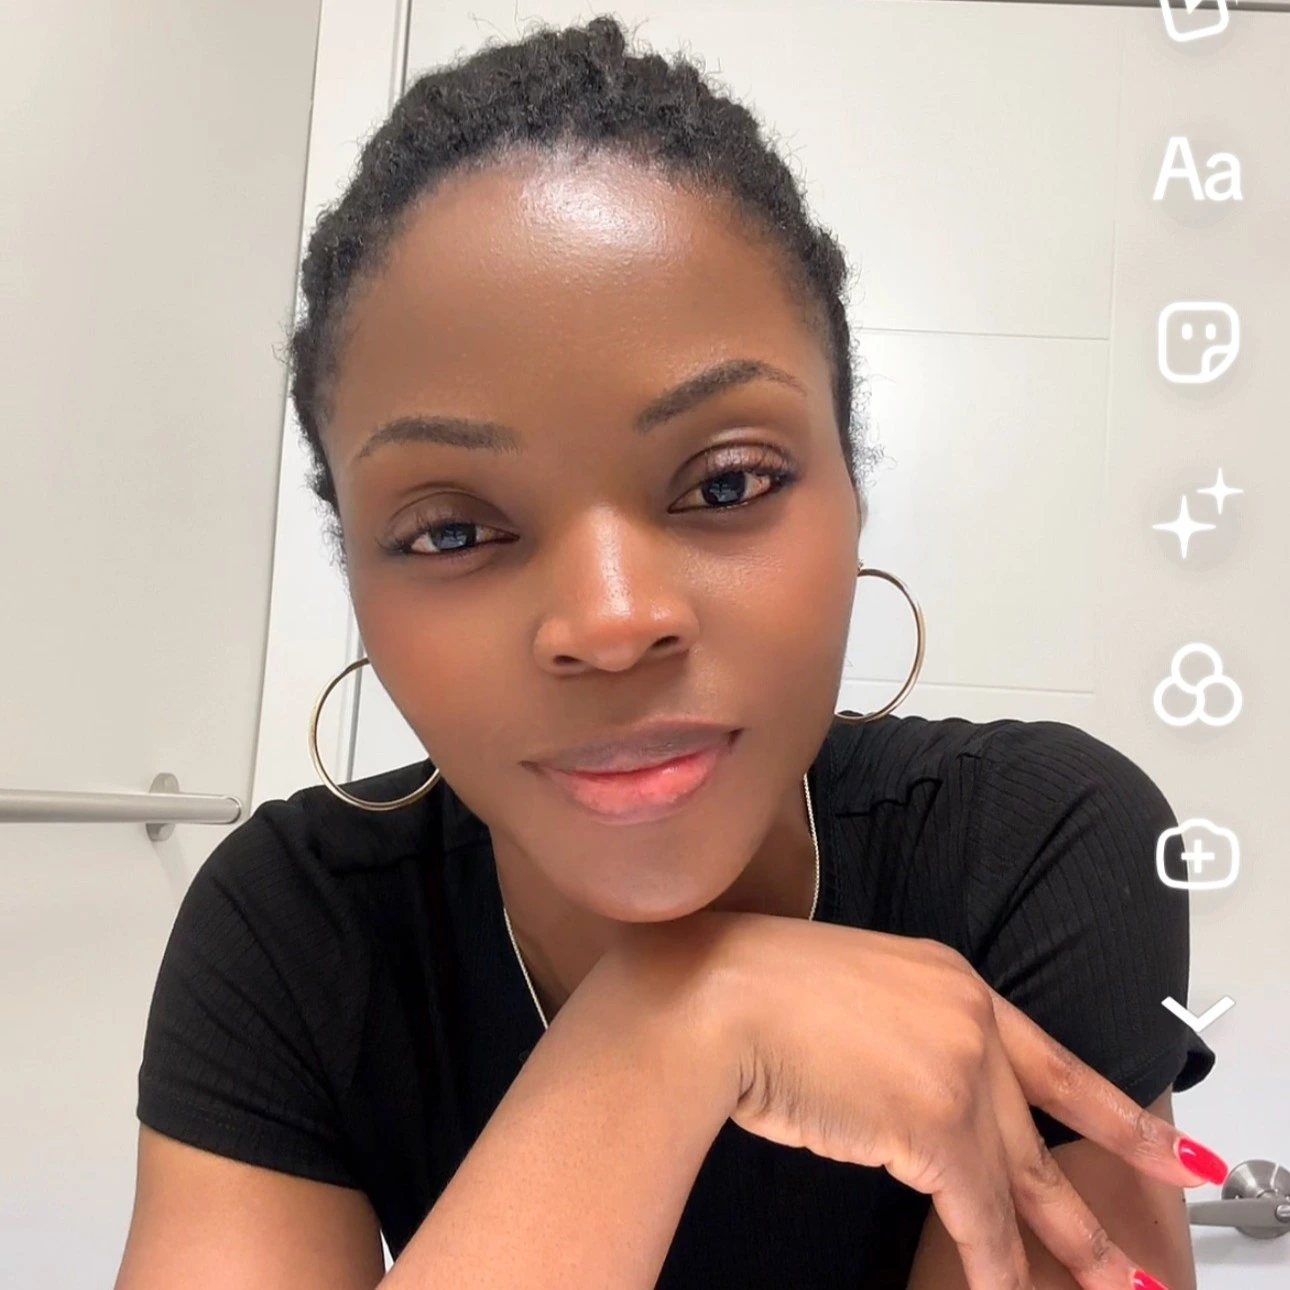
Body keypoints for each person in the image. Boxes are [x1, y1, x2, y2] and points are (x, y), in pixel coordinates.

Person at [114, 15, 1222, 1290]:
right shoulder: (291, 932)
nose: (609, 621)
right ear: (358, 580)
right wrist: (672, 1028)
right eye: (452, 530)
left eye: (726, 482)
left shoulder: (1034, 850)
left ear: (852, 490)